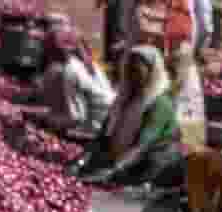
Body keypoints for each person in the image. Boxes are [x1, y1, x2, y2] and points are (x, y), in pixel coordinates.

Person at [72, 45, 184, 188]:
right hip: (126, 158)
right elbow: (102, 136)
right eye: (129, 70)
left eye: (137, 71)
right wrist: (80, 161)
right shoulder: (123, 99)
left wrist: (112, 170)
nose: (132, 76)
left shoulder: (160, 103)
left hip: (154, 161)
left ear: (151, 72)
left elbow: (142, 145)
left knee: (116, 177)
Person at [35, 26, 116, 137]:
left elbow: (76, 118)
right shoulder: (88, 64)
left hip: (98, 131)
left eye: (48, 48)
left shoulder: (70, 71)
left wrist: (47, 119)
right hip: (112, 120)